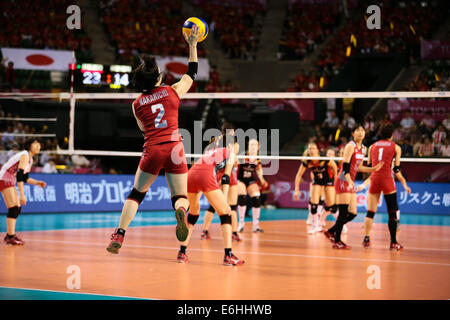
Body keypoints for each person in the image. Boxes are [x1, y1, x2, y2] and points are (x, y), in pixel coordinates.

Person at [106, 25, 201, 254]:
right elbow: (192, 72)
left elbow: (142, 129)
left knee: (137, 194)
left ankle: (120, 233)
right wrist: (192, 45)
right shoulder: (173, 91)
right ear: (159, 77)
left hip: (153, 149)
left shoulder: (136, 104)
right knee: (180, 195)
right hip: (175, 147)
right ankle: (180, 211)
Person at [177, 133, 244, 266]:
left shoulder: (211, 151)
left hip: (190, 175)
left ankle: (182, 253)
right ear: (231, 145)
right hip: (205, 176)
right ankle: (228, 255)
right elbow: (226, 177)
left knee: (193, 214)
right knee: (226, 213)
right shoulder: (229, 152)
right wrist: (224, 201)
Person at [323, 125, 383, 249]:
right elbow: (345, 168)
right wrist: (350, 182)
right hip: (343, 179)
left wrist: (373, 169)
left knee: (353, 213)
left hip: (350, 181)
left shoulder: (364, 149)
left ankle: (331, 231)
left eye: (362, 130)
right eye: (357, 131)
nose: (360, 133)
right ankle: (337, 241)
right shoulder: (350, 146)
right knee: (343, 212)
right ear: (353, 133)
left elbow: (358, 167)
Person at [360, 124, 411, 250]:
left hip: (375, 179)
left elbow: (370, 166)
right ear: (391, 135)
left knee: (370, 212)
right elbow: (397, 169)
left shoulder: (372, 146)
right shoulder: (396, 147)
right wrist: (404, 183)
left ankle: (366, 239)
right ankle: (393, 242)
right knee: (392, 213)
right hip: (387, 179)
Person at [200, 123, 241, 242]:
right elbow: (234, 162)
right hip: (228, 174)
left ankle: (204, 231)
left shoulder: (214, 141)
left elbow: (207, 157)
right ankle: (234, 233)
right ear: (231, 132)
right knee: (232, 205)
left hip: (215, 174)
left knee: (213, 205)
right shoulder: (233, 143)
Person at [1, 139, 46, 245]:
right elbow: (20, 176)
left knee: (15, 208)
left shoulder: (30, 160)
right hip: (4, 178)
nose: (38, 146)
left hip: (9, 179)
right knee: (14, 207)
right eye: (35, 144)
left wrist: (37, 183)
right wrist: (22, 195)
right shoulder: (25, 155)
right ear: (29, 146)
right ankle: (10, 236)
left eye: (39, 144)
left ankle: (9, 235)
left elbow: (25, 178)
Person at [294, 143, 338, 234]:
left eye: (313, 148)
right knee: (314, 203)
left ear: (317, 150)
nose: (311, 150)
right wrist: (296, 190)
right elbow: (298, 175)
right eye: (309, 149)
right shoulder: (307, 161)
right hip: (317, 181)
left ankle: (340, 224)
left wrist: (336, 180)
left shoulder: (323, 158)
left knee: (331, 206)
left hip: (328, 180)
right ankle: (315, 226)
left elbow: (334, 167)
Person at [237, 139, 268, 233]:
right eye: (251, 144)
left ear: (258, 147)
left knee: (257, 197)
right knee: (242, 196)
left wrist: (262, 180)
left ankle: (256, 225)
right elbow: (234, 167)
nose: (253, 146)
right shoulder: (243, 155)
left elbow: (259, 170)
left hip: (250, 179)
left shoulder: (258, 158)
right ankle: (241, 224)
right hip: (240, 179)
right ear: (248, 146)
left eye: (255, 145)